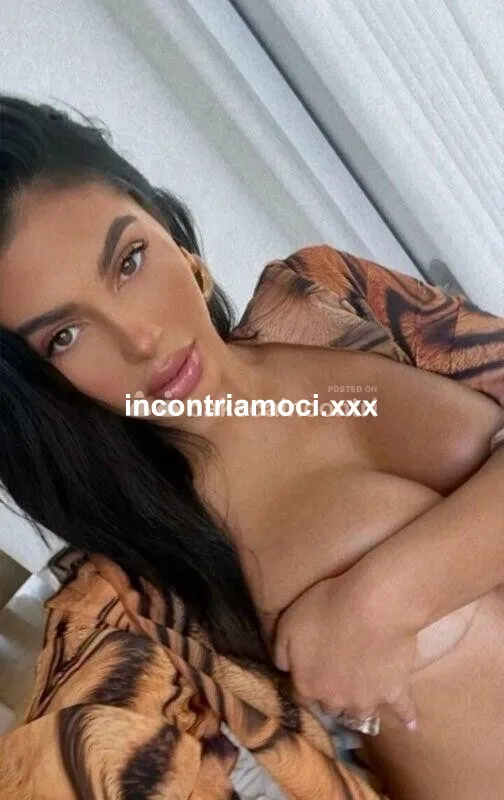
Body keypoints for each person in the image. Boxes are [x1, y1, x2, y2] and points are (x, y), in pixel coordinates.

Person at [0, 94, 503, 799]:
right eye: (65, 336)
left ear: (165, 226)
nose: (138, 338)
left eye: (130, 260)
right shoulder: (134, 602)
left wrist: (386, 597)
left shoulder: (324, 293)